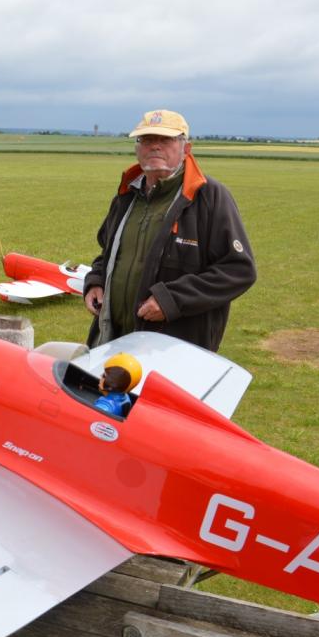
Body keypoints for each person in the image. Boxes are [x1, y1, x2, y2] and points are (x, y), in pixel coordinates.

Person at [83, 109, 255, 352]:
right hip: (113, 340)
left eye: (165, 140)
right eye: (147, 139)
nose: (155, 146)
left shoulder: (210, 197)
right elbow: (108, 253)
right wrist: (95, 281)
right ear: (137, 147)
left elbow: (238, 270)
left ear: (186, 149)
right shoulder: (127, 196)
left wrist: (171, 300)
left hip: (175, 349)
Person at [93, 353, 142, 419]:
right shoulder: (126, 398)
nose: (101, 375)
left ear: (113, 383)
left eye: (104, 375)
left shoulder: (104, 407)